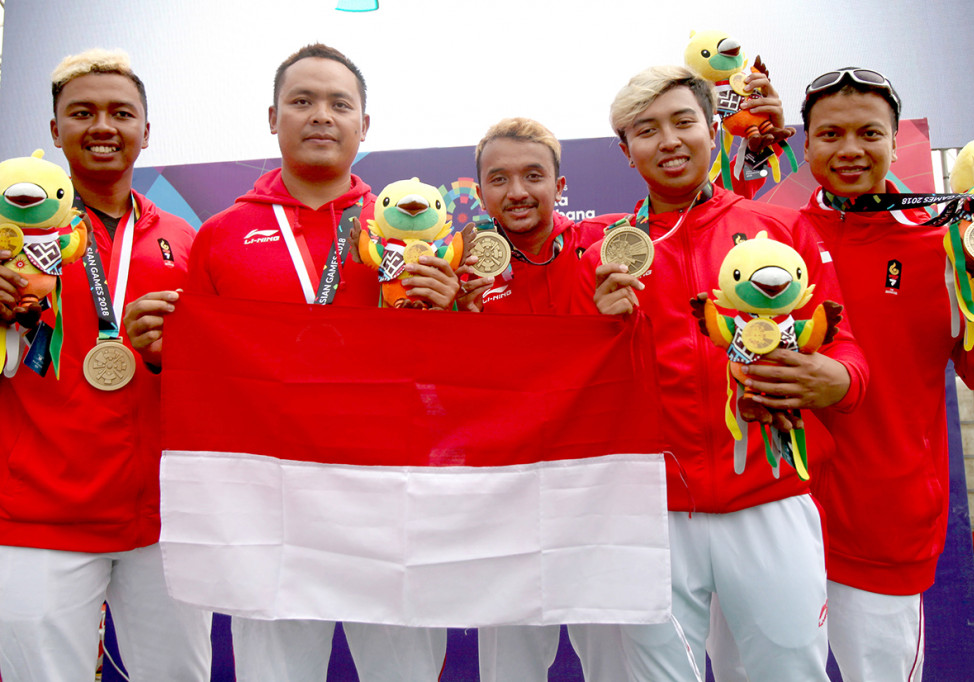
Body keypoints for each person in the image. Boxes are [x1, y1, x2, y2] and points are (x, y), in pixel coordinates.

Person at [125, 43, 456, 682]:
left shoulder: (415, 229)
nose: (321, 116)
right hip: (265, 509)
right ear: (273, 117)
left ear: (366, 124)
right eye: (301, 101)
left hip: (387, 504)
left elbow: (445, 376)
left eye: (340, 103)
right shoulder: (220, 234)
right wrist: (167, 355)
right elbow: (202, 375)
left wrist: (448, 317)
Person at [572, 64, 869, 682]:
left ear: (713, 130)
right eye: (646, 130)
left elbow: (847, 353)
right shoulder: (601, 251)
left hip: (770, 498)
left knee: (789, 672)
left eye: (683, 122)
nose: (669, 141)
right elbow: (572, 383)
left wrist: (839, 381)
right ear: (625, 152)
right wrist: (593, 325)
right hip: (653, 510)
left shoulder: (782, 230)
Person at [786, 67, 974, 681]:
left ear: (895, 143)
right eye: (830, 134)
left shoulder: (943, 243)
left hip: (882, 523)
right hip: (772, 518)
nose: (849, 150)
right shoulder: (772, 240)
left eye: (868, 133)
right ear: (804, 144)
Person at [0, 49, 212, 681]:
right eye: (82, 112)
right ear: (54, 129)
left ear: (146, 131)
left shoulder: (184, 235)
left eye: (122, 113)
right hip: (38, 513)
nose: (102, 126)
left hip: (164, 519)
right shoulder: (9, 234)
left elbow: (218, 371)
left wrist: (171, 355)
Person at [460, 117, 627, 682]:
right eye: (499, 178)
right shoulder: (459, 269)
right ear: (479, 190)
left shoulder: (611, 248)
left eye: (534, 176)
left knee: (614, 666)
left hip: (598, 498)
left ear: (561, 187)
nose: (517, 192)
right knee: (510, 669)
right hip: (505, 501)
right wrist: (453, 327)